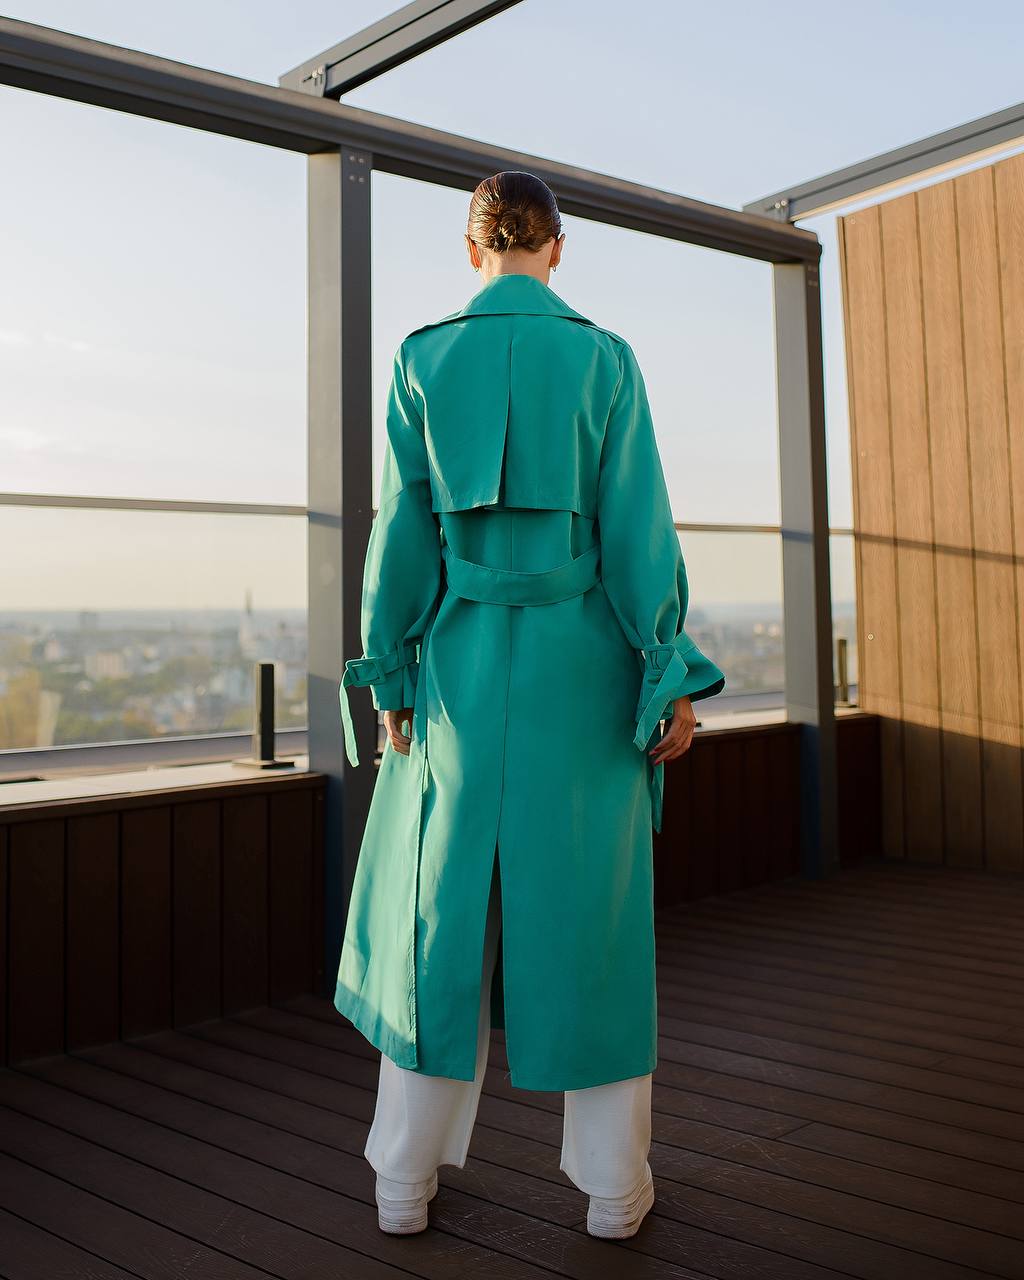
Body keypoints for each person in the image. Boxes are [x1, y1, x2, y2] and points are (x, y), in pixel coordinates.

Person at [338, 170, 726, 1239]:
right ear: (559, 248)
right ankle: (611, 1188)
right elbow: (639, 529)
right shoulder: (604, 358)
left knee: (434, 920)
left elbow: (397, 538)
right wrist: (665, 672)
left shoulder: (422, 357)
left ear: (475, 252)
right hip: (582, 671)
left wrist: (391, 674)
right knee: (591, 922)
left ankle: (402, 1180)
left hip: (456, 672)